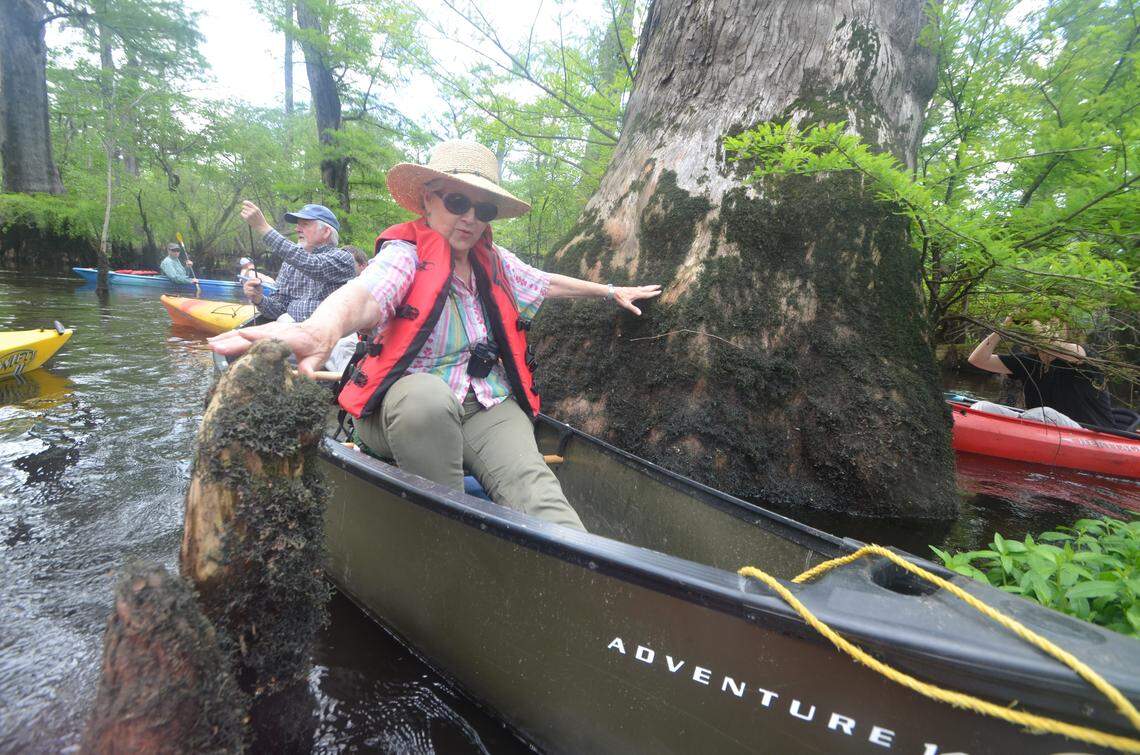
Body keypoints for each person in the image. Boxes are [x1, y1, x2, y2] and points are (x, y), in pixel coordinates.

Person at [211, 140, 662, 531]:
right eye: (456, 202)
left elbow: (544, 282)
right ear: (428, 200)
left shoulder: (495, 261)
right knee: (427, 401)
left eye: (482, 209)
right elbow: (365, 295)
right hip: (403, 408)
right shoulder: (405, 255)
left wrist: (609, 289)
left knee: (539, 494)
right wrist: (319, 330)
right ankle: (450, 529)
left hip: (482, 402)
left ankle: (577, 573)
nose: (469, 218)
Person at [967, 317, 1117, 428]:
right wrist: (1003, 327)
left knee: (1046, 413)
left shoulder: (1084, 354)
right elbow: (978, 360)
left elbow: (1051, 345)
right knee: (983, 407)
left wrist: (1032, 317)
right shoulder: (1029, 361)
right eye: (1044, 325)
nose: (1048, 329)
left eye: (1053, 325)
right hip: (1042, 428)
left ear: (1066, 330)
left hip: (1092, 433)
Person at [238, 202, 356, 321]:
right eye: (298, 225)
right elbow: (279, 308)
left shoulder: (343, 258)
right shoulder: (290, 264)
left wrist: (263, 227)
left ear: (326, 232)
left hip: (332, 334)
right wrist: (259, 299)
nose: (297, 229)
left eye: (305, 224)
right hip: (292, 331)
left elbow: (312, 264)